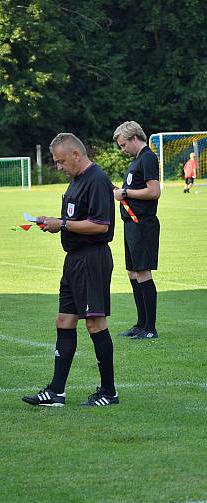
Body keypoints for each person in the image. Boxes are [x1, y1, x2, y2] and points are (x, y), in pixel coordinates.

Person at [22, 133, 118, 407]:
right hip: (74, 260)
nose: (59, 167)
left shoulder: (97, 180)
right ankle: (56, 392)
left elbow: (101, 225)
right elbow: (73, 219)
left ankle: (109, 392)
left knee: (95, 323)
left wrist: (62, 224)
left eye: (61, 161)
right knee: (64, 321)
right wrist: (52, 222)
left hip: (92, 259)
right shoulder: (76, 181)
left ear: (76, 154)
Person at [112, 121, 162, 340]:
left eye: (123, 145)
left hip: (143, 224)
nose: (123, 150)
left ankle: (150, 328)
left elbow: (154, 191)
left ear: (134, 138)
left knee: (143, 272)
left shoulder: (148, 158)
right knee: (133, 272)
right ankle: (141, 324)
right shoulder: (137, 160)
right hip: (131, 224)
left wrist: (126, 193)